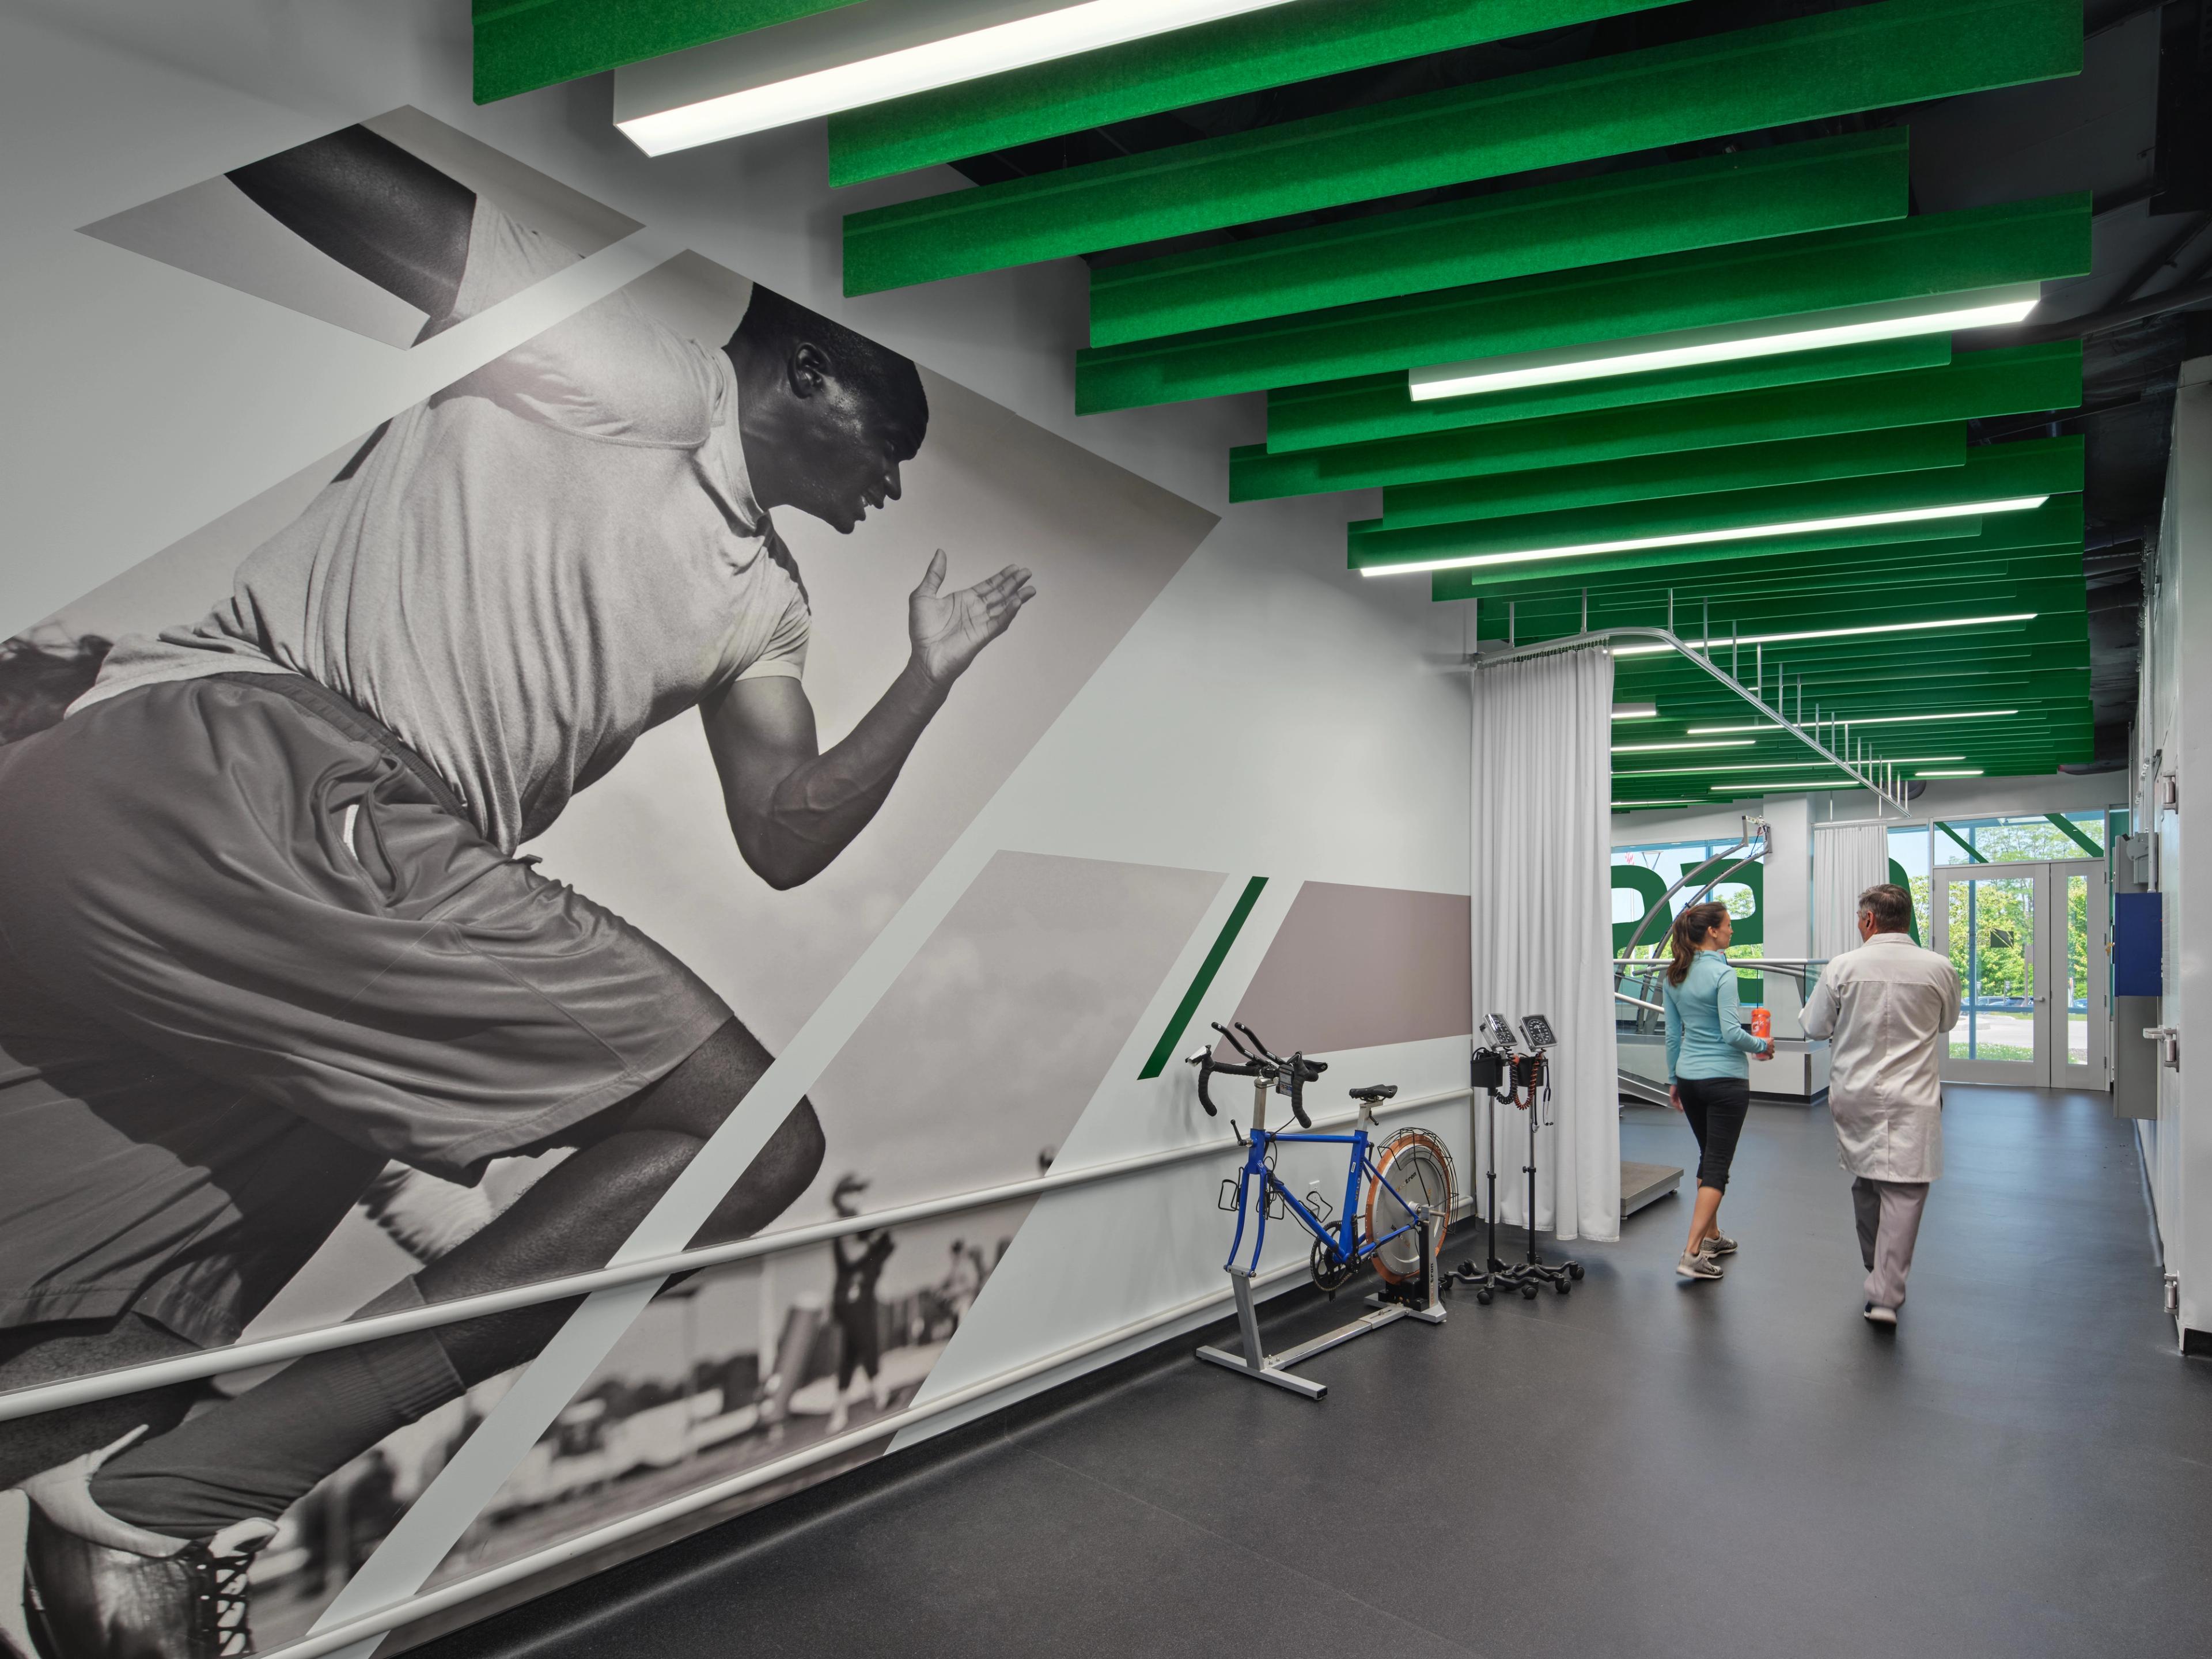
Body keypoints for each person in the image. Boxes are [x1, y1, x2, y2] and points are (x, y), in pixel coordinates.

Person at [0, 122, 1034, 1658]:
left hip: (157, 860)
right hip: (278, 778)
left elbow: (786, 830)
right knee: (746, 1132)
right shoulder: (644, 380)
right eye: (895, 429)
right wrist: (205, 71)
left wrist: (927, 678)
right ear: (807, 370)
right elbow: (347, 186)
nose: (897, 472)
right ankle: (186, 1495)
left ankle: (116, 1516)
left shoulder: (768, 603)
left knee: (90, 1348)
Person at [1801, 882, 1961, 1328]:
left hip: (1856, 1092)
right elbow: (1947, 1022)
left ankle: (1878, 1271)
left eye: (1859, 918)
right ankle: (1886, 1294)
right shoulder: (1939, 968)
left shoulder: (1843, 967)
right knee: (1905, 1190)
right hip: (1913, 1096)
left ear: (1870, 920)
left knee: (1869, 1184)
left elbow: (1815, 1027)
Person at [1661, 900, 1774, 1281]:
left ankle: (1712, 1237)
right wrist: (1763, 1045)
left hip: (1690, 1079)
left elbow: (1672, 1036)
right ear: (1711, 931)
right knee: (1717, 1166)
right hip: (1725, 1081)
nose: (1731, 930)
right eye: (1727, 924)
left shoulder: (1675, 975)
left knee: (1708, 1155)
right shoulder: (1723, 974)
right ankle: (1692, 1253)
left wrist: (1674, 1080)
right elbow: (1731, 1033)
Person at [825, 1176, 893, 1435]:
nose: (858, 1196)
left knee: (851, 1355)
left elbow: (875, 1257)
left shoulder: (859, 1223)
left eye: (860, 1191)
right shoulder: (843, 1223)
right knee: (867, 1342)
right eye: (853, 1191)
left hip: (862, 1297)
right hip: (849, 1299)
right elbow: (853, 1255)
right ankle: (880, 1393)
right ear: (841, 1197)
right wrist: (874, 1239)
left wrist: (880, 1243)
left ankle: (839, 1410)